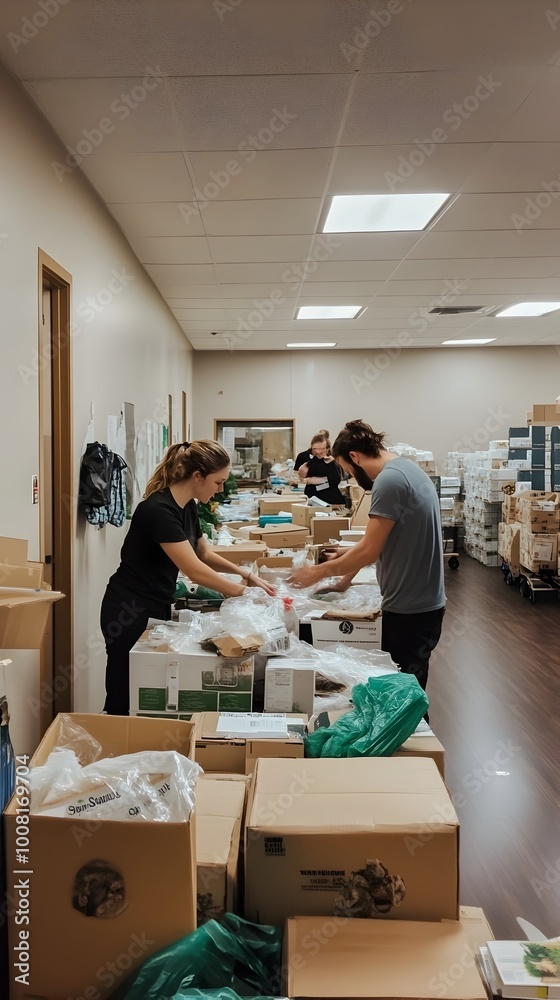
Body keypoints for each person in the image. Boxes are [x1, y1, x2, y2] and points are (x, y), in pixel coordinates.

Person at [100, 440, 275, 715]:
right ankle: (115, 740)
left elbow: (203, 553)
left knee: (149, 687)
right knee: (125, 690)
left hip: (156, 603)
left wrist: (246, 576)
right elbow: (193, 569)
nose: (219, 490)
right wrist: (241, 593)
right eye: (217, 483)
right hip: (128, 609)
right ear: (197, 476)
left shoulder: (188, 506)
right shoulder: (158, 510)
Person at [290, 420, 445, 696]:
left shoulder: (389, 481)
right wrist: (344, 579)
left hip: (410, 610)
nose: (349, 476)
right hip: (423, 604)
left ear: (354, 457)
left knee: (403, 698)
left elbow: (369, 550)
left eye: (347, 470)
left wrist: (317, 572)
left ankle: (414, 738)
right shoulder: (405, 468)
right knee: (406, 689)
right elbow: (384, 541)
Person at [298, 433, 345, 506]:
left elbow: (334, 481)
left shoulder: (332, 462)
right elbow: (303, 477)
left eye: (322, 449)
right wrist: (303, 475)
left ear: (327, 449)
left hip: (331, 502)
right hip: (314, 501)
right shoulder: (311, 462)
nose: (318, 452)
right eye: (315, 449)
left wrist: (312, 481)